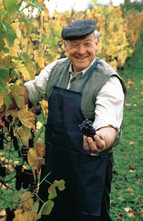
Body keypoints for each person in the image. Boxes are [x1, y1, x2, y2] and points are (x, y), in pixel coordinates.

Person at [0, 19, 126, 220]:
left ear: (96, 44)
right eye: (74, 45)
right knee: (53, 213)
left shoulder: (107, 80)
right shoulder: (56, 69)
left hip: (89, 170)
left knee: (89, 215)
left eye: (86, 43)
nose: (81, 51)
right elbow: (31, 92)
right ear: (65, 46)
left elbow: (108, 123)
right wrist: (5, 102)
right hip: (56, 164)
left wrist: (101, 138)